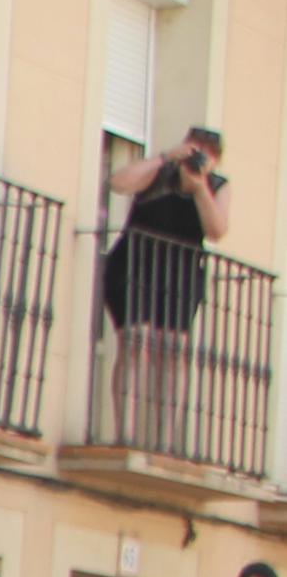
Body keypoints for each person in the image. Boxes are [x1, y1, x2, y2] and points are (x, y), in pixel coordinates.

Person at [102, 127, 227, 444]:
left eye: (205, 154)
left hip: (181, 273)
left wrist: (199, 189)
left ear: (216, 161)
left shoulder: (216, 186)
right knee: (134, 343)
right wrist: (164, 158)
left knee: (173, 352)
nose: (196, 159)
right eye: (194, 150)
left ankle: (167, 439)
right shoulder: (158, 172)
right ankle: (125, 433)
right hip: (136, 264)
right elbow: (117, 182)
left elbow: (217, 229)